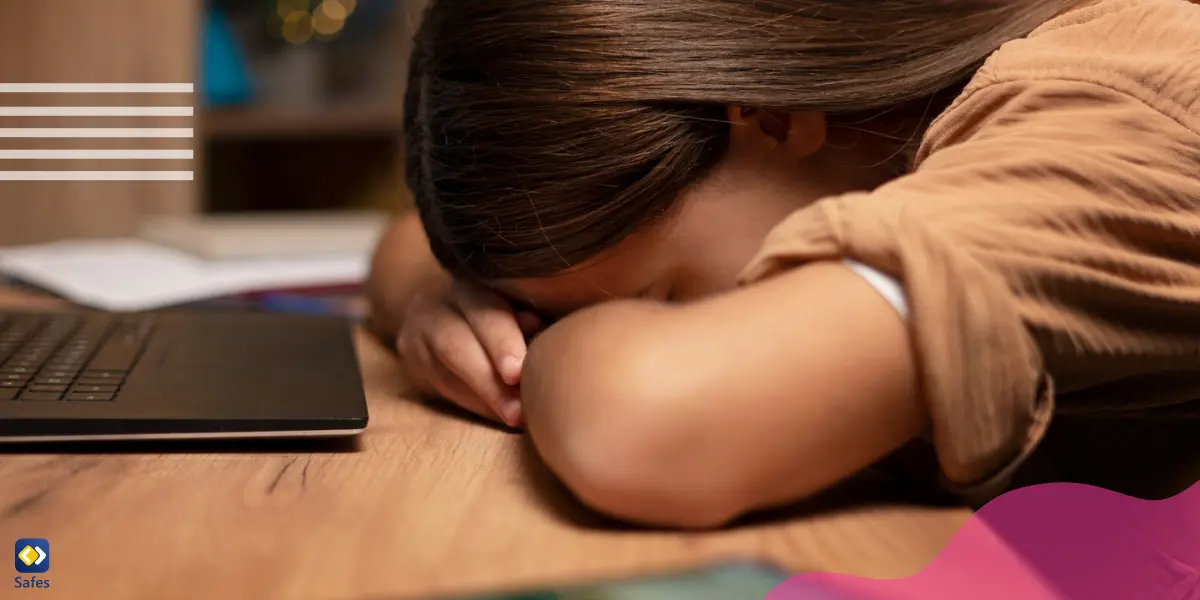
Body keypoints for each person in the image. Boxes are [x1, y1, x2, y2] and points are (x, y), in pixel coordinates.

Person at [368, 0, 1200, 528]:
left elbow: (646, 423)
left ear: (767, 119)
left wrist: (537, 359)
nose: (619, 333)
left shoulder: (1113, 112)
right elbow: (399, 245)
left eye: (669, 302)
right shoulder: (882, 128)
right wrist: (456, 316)